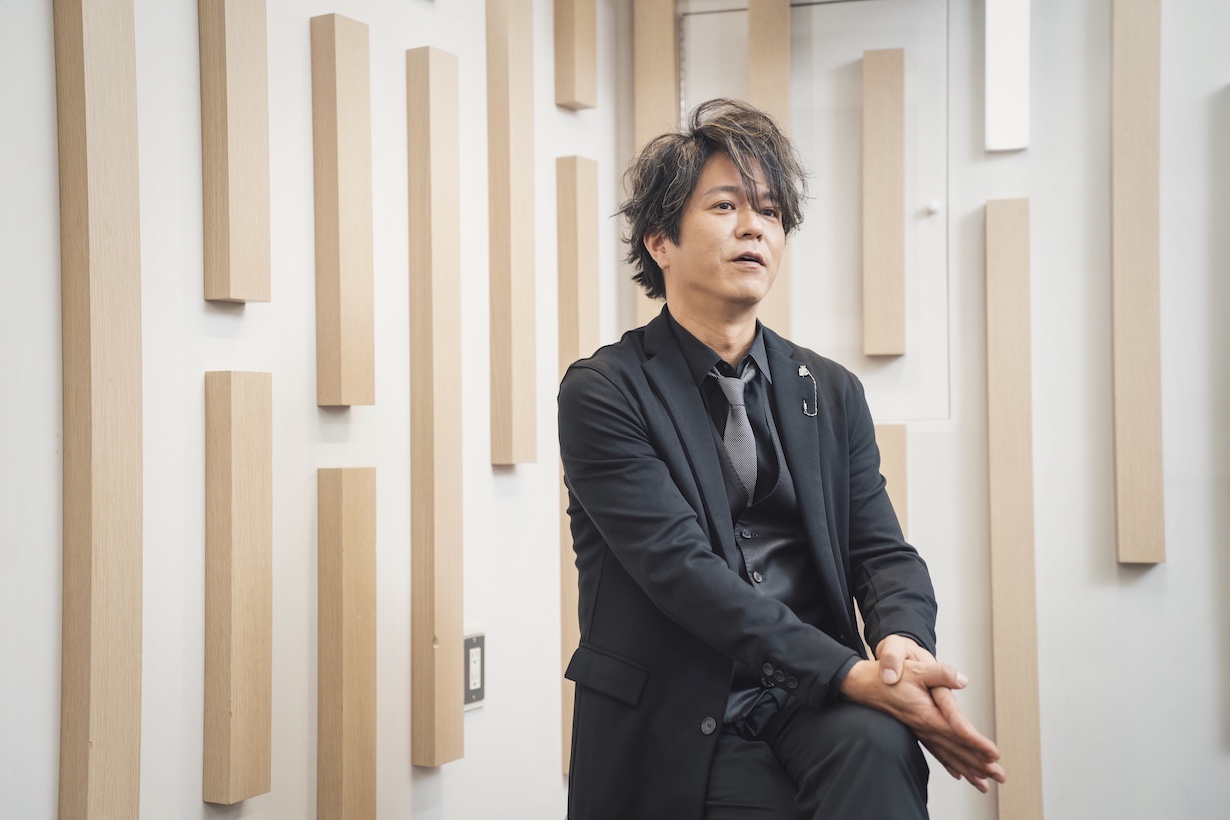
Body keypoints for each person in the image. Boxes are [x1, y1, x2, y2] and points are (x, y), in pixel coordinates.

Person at [558, 99, 1005, 820]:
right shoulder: (605, 390)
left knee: (880, 747)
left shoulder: (830, 389)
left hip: (808, 699)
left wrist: (900, 649)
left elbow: (881, 551)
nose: (755, 227)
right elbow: (682, 572)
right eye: (725, 206)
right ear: (660, 242)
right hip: (677, 713)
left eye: (769, 211)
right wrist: (850, 672)